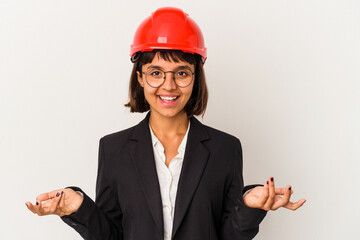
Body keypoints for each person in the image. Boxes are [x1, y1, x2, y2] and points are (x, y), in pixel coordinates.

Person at [25, 7, 306, 240]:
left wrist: (249, 206)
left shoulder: (225, 148)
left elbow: (229, 236)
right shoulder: (113, 149)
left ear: (196, 78)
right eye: (156, 72)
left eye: (181, 72)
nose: (168, 86)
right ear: (139, 77)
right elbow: (110, 236)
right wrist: (78, 207)